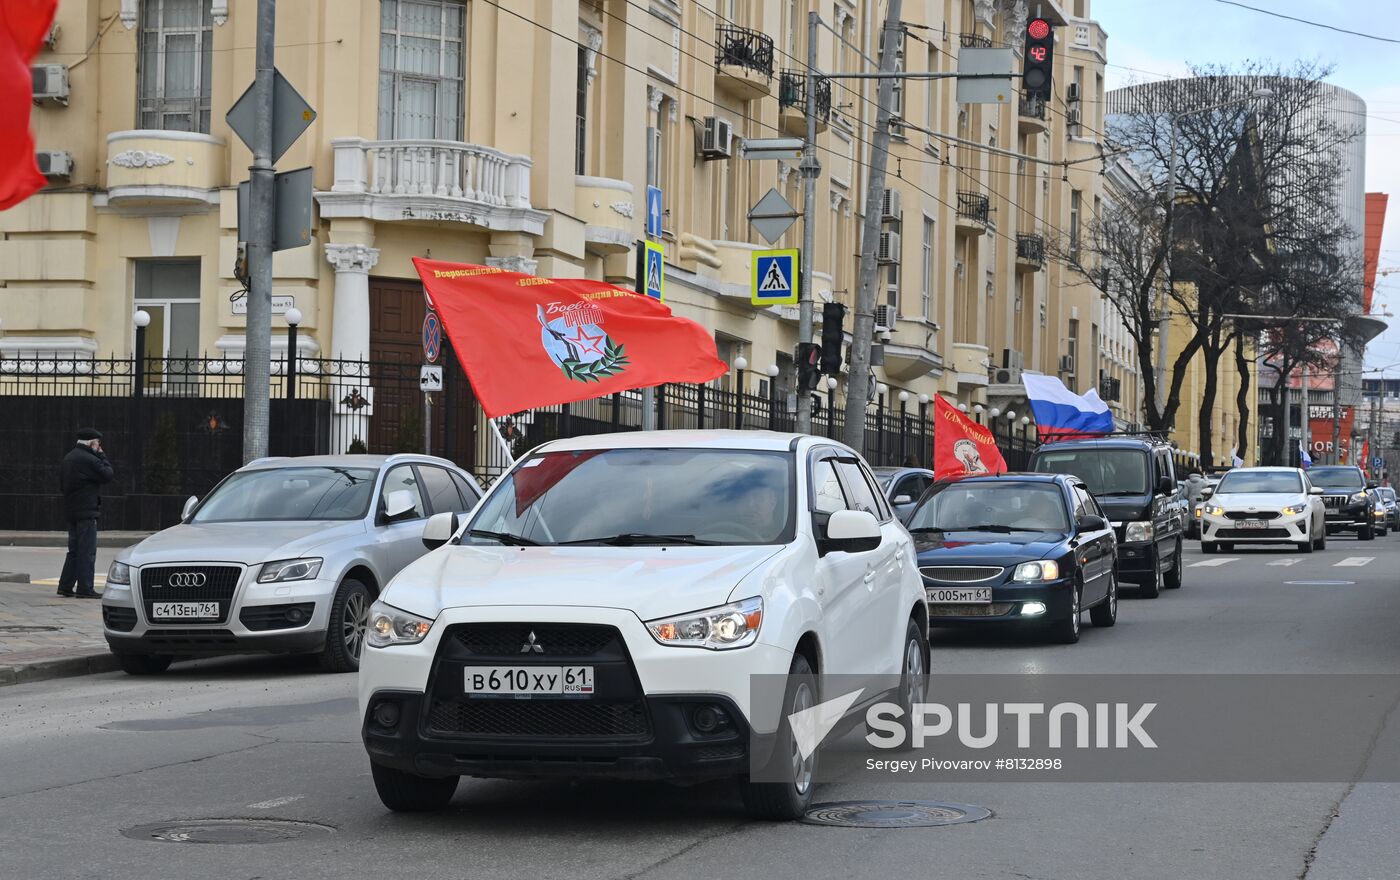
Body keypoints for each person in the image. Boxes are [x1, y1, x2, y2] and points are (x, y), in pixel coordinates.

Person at [57, 428, 113, 599]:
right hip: (87, 511)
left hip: (71, 511)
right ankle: (85, 588)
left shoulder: (69, 457)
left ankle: (65, 586)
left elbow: (62, 485)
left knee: (74, 550)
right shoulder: (90, 459)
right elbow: (108, 474)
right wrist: (102, 455)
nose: (99, 446)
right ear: (92, 443)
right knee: (87, 551)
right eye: (98, 443)